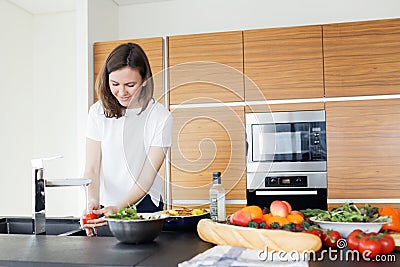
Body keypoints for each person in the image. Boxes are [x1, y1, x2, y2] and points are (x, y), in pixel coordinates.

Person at [80, 42, 173, 236]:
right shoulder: (97, 112)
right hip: (105, 205)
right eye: (115, 84)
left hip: (145, 205)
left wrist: (119, 208)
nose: (122, 92)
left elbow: (146, 177)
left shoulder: (161, 118)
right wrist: (91, 202)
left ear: (145, 80)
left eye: (130, 85)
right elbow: (92, 168)